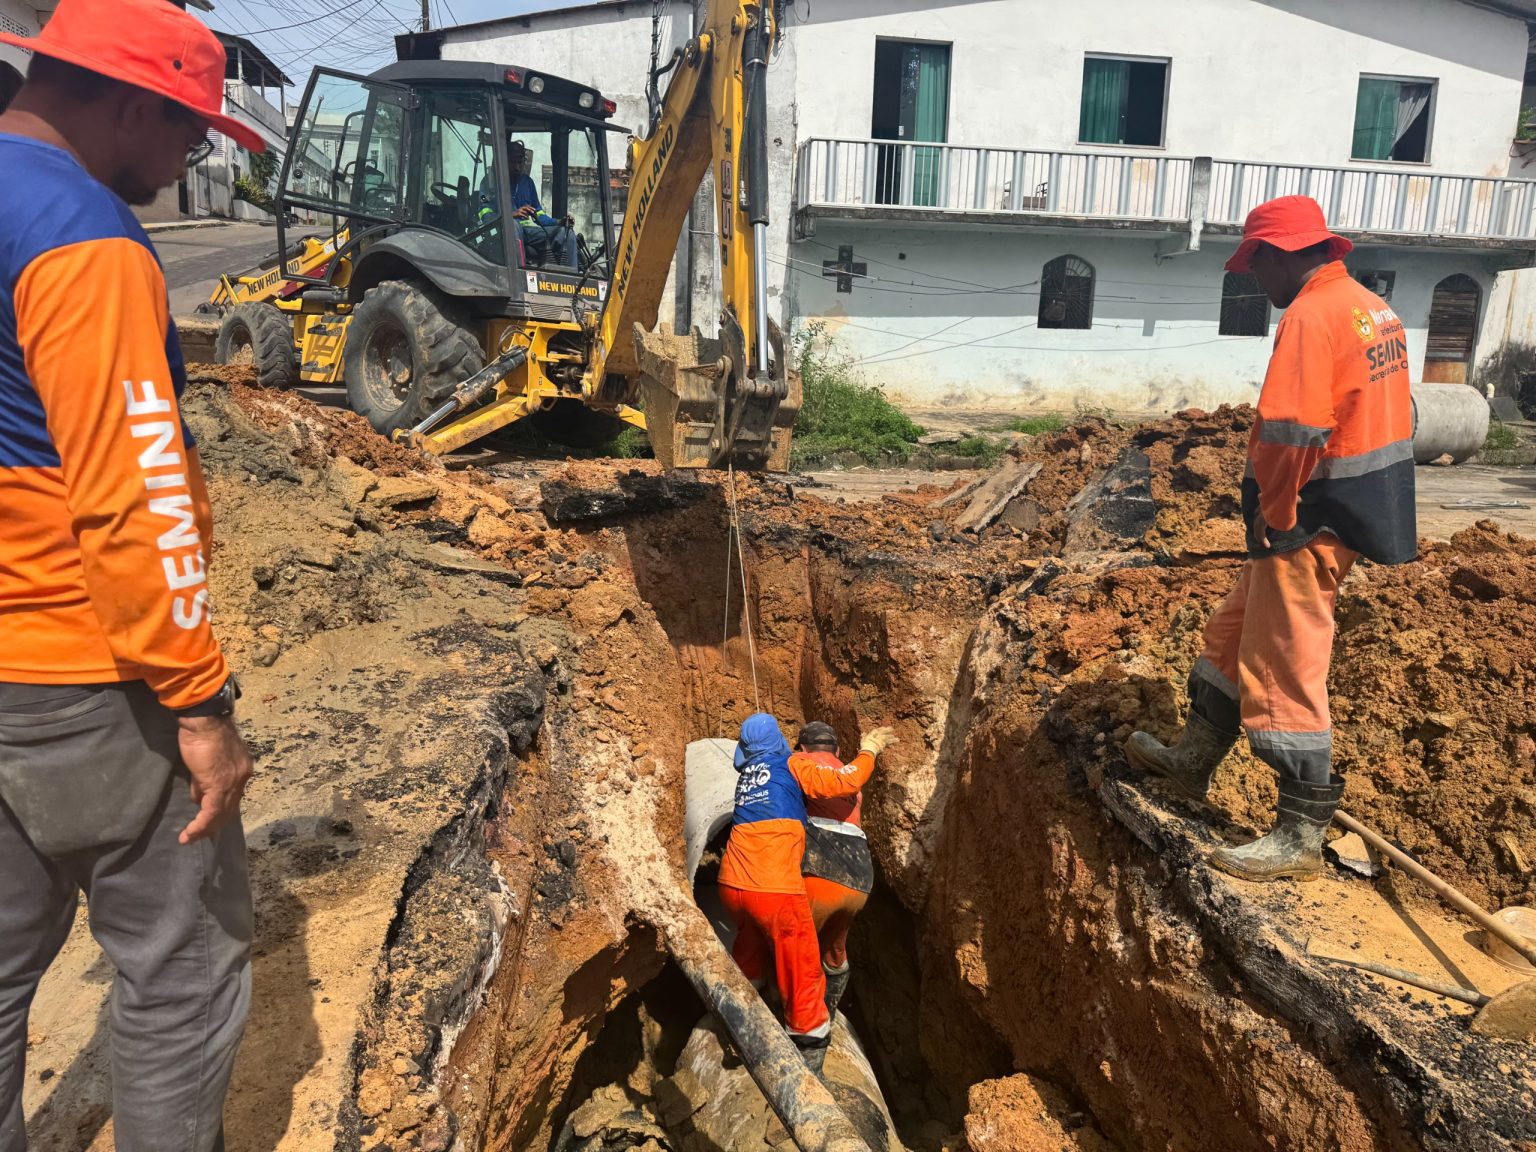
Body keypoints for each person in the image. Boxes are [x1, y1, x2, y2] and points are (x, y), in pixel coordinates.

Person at [0, 0, 263, 1147]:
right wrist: (198, 704)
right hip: (89, 676)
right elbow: (133, 490)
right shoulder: (84, 235)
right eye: (190, 133)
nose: (188, 159)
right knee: (178, 977)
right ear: (127, 102)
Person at [1124, 195, 1416, 883]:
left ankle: (1299, 835)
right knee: (1232, 633)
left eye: (1255, 263)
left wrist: (1278, 512)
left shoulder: (1311, 317)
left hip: (1311, 514)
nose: (1254, 278)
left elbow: (1293, 430)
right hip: (1347, 504)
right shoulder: (1370, 308)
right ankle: (1194, 758)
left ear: (1281, 254)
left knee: (1283, 664)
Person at [718, 713, 897, 1072]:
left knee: (751, 944)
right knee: (802, 967)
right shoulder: (794, 764)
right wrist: (870, 749)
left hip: (731, 884)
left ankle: (737, 1026)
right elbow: (844, 782)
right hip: (780, 887)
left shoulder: (747, 772)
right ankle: (810, 1046)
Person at [795, 721, 875, 1020]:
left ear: (803, 748)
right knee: (835, 949)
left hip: (821, 870)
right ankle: (828, 1013)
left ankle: (797, 1019)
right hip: (860, 879)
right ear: (838, 751)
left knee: (796, 947)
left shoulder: (801, 763)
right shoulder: (847, 771)